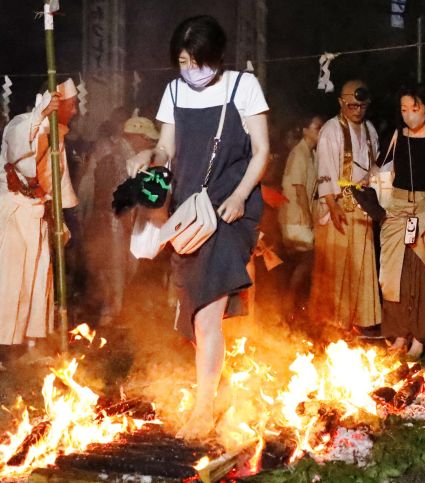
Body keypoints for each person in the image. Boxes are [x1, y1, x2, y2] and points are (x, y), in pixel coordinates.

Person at [126, 15, 269, 439]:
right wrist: (149, 158)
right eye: (184, 62)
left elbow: (261, 151)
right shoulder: (174, 91)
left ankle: (204, 408)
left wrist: (241, 195)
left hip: (228, 210)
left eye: (197, 62)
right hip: (187, 212)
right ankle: (214, 384)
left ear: (217, 58)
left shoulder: (243, 87)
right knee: (196, 308)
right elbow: (166, 148)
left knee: (207, 313)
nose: (191, 71)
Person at [0, 79, 79, 368]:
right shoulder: (22, 123)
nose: (76, 108)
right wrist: (41, 115)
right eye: (72, 104)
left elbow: (56, 181)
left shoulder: (58, 134)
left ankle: (30, 343)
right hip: (14, 216)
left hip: (38, 216)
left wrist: (59, 217)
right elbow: (18, 156)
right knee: (11, 281)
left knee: (38, 281)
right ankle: (4, 348)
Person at [309, 80, 381, 333]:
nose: (357, 110)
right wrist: (332, 204)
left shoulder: (370, 130)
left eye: (362, 106)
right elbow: (325, 169)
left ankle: (359, 319)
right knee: (338, 264)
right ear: (341, 102)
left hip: (362, 203)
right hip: (338, 203)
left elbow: (373, 165)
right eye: (352, 105)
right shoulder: (331, 130)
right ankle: (332, 321)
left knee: (361, 261)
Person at [379, 84, 425, 360]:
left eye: (415, 109)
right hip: (398, 210)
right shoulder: (396, 137)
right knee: (394, 276)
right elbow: (381, 171)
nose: (409, 116)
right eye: (404, 110)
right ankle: (400, 333)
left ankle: (420, 337)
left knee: (422, 275)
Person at [84, 117, 160, 327]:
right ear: (134, 137)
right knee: (115, 269)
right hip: (112, 222)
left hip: (111, 220)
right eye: (146, 139)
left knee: (116, 269)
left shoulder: (124, 155)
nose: (148, 144)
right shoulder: (119, 158)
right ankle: (111, 319)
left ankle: (112, 316)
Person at [279, 114, 324, 319]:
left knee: (304, 262)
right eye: (316, 128)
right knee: (307, 259)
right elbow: (299, 189)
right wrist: (307, 217)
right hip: (296, 217)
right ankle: (289, 304)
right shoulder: (299, 153)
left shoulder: (311, 153)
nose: (319, 132)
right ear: (305, 130)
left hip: (301, 216)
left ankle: (294, 306)